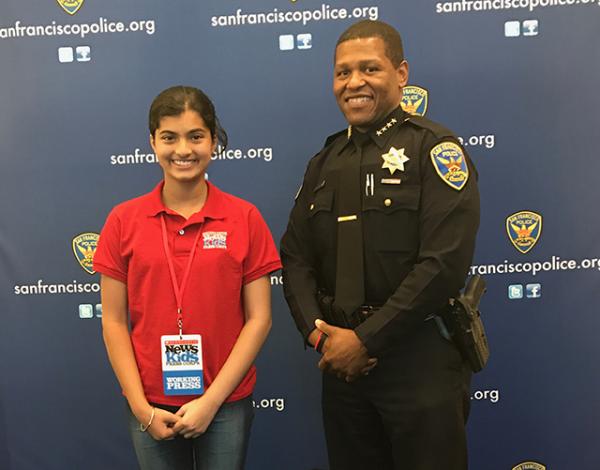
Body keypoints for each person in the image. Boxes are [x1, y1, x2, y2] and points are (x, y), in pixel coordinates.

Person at [280, 20, 480, 470]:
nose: (354, 83)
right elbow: (294, 256)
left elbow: (443, 264)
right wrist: (318, 335)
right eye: (342, 72)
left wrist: (366, 341)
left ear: (401, 74)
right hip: (342, 371)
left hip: (419, 363)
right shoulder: (323, 162)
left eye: (369, 69)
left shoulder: (436, 149)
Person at [94, 86, 281, 470]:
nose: (183, 150)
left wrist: (211, 402)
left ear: (214, 141)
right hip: (149, 402)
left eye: (196, 136)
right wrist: (140, 407)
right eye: (169, 137)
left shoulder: (244, 218)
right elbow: (112, 321)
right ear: (152, 142)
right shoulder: (122, 221)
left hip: (225, 402)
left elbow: (259, 319)